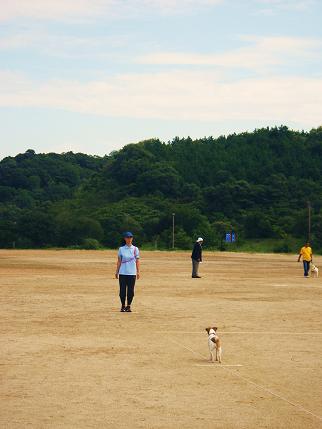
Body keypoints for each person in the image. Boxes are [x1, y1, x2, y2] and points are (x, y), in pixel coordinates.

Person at [115, 232, 140, 312]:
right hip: (122, 273)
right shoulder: (121, 249)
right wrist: (117, 271)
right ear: (125, 238)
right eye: (127, 237)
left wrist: (138, 272)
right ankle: (122, 305)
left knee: (131, 291)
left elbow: (137, 261)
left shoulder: (135, 249)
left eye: (130, 237)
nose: (129, 239)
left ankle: (128, 306)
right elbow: (119, 261)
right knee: (122, 291)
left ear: (132, 238)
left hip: (132, 273)